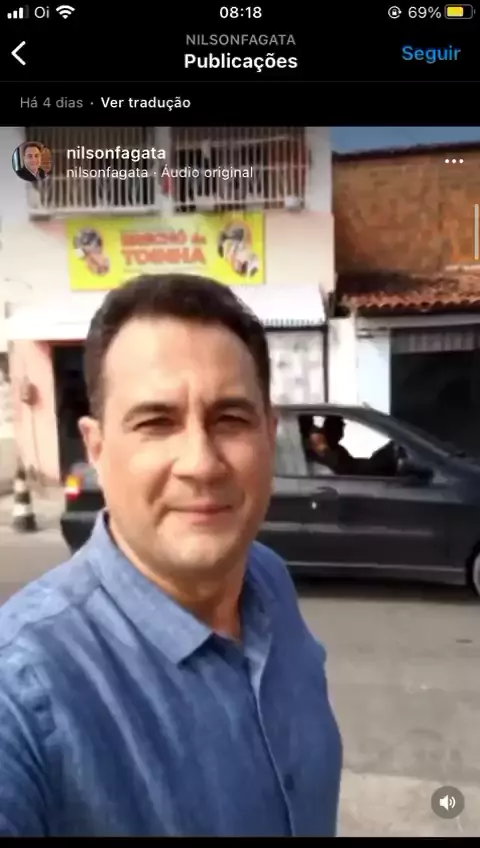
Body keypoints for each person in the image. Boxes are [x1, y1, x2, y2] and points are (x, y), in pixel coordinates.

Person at [0, 273, 342, 837]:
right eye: (156, 423)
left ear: (269, 434)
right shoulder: (23, 691)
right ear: (97, 448)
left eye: (230, 419)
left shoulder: (267, 577)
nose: (201, 463)